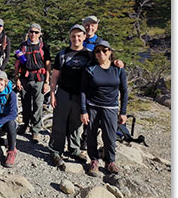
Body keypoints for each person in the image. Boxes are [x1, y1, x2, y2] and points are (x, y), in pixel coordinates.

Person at [80, 40, 128, 176]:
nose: (101, 53)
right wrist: (83, 111)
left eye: (104, 50)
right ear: (94, 54)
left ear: (110, 52)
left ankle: (110, 161)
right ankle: (94, 160)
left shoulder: (118, 69)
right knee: (91, 134)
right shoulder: (90, 68)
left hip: (111, 108)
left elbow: (124, 91)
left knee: (110, 136)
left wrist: (123, 112)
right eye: (98, 51)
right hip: (93, 106)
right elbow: (83, 90)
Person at [48, 24, 92, 169]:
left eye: (79, 36)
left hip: (82, 95)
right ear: (70, 37)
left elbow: (103, 66)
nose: (76, 39)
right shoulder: (62, 54)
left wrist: (118, 63)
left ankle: (74, 149)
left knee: (76, 123)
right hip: (64, 92)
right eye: (73, 36)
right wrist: (52, 94)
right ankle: (56, 150)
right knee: (59, 123)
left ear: (84, 37)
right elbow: (54, 76)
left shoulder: (90, 55)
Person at [15, 23, 51, 142]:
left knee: (38, 105)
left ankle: (35, 130)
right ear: (28, 32)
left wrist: (47, 82)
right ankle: (25, 124)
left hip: (39, 79)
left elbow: (48, 65)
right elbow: (17, 64)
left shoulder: (44, 47)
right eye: (31, 31)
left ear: (40, 34)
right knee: (25, 103)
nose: (33, 34)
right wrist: (17, 79)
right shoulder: (23, 46)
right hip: (25, 78)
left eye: (36, 32)